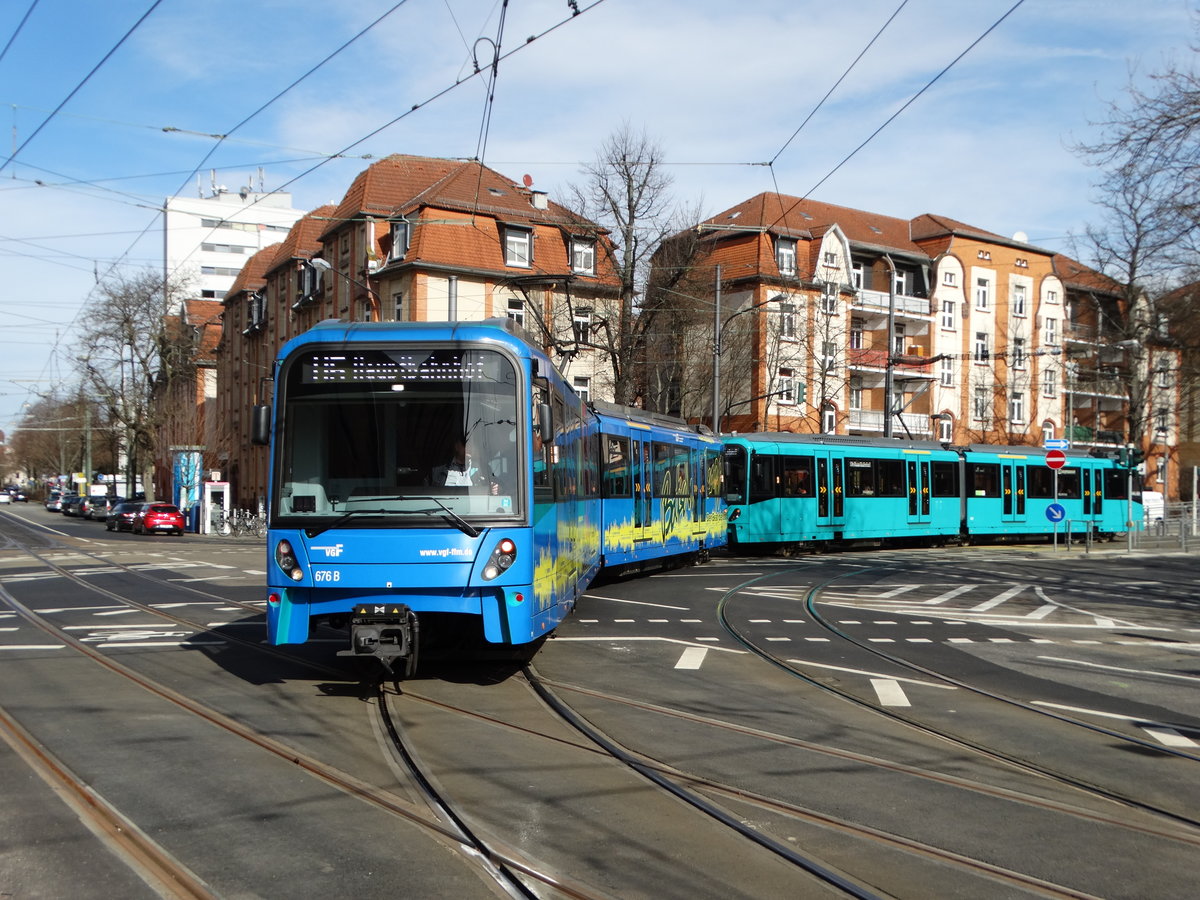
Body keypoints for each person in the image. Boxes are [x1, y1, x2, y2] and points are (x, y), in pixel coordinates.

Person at [432, 436, 498, 494]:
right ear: (456, 446)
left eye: (472, 444)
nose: (469, 447)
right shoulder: (438, 469)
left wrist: (497, 488)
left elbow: (500, 486)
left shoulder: (483, 468)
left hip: (474, 507)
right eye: (465, 443)